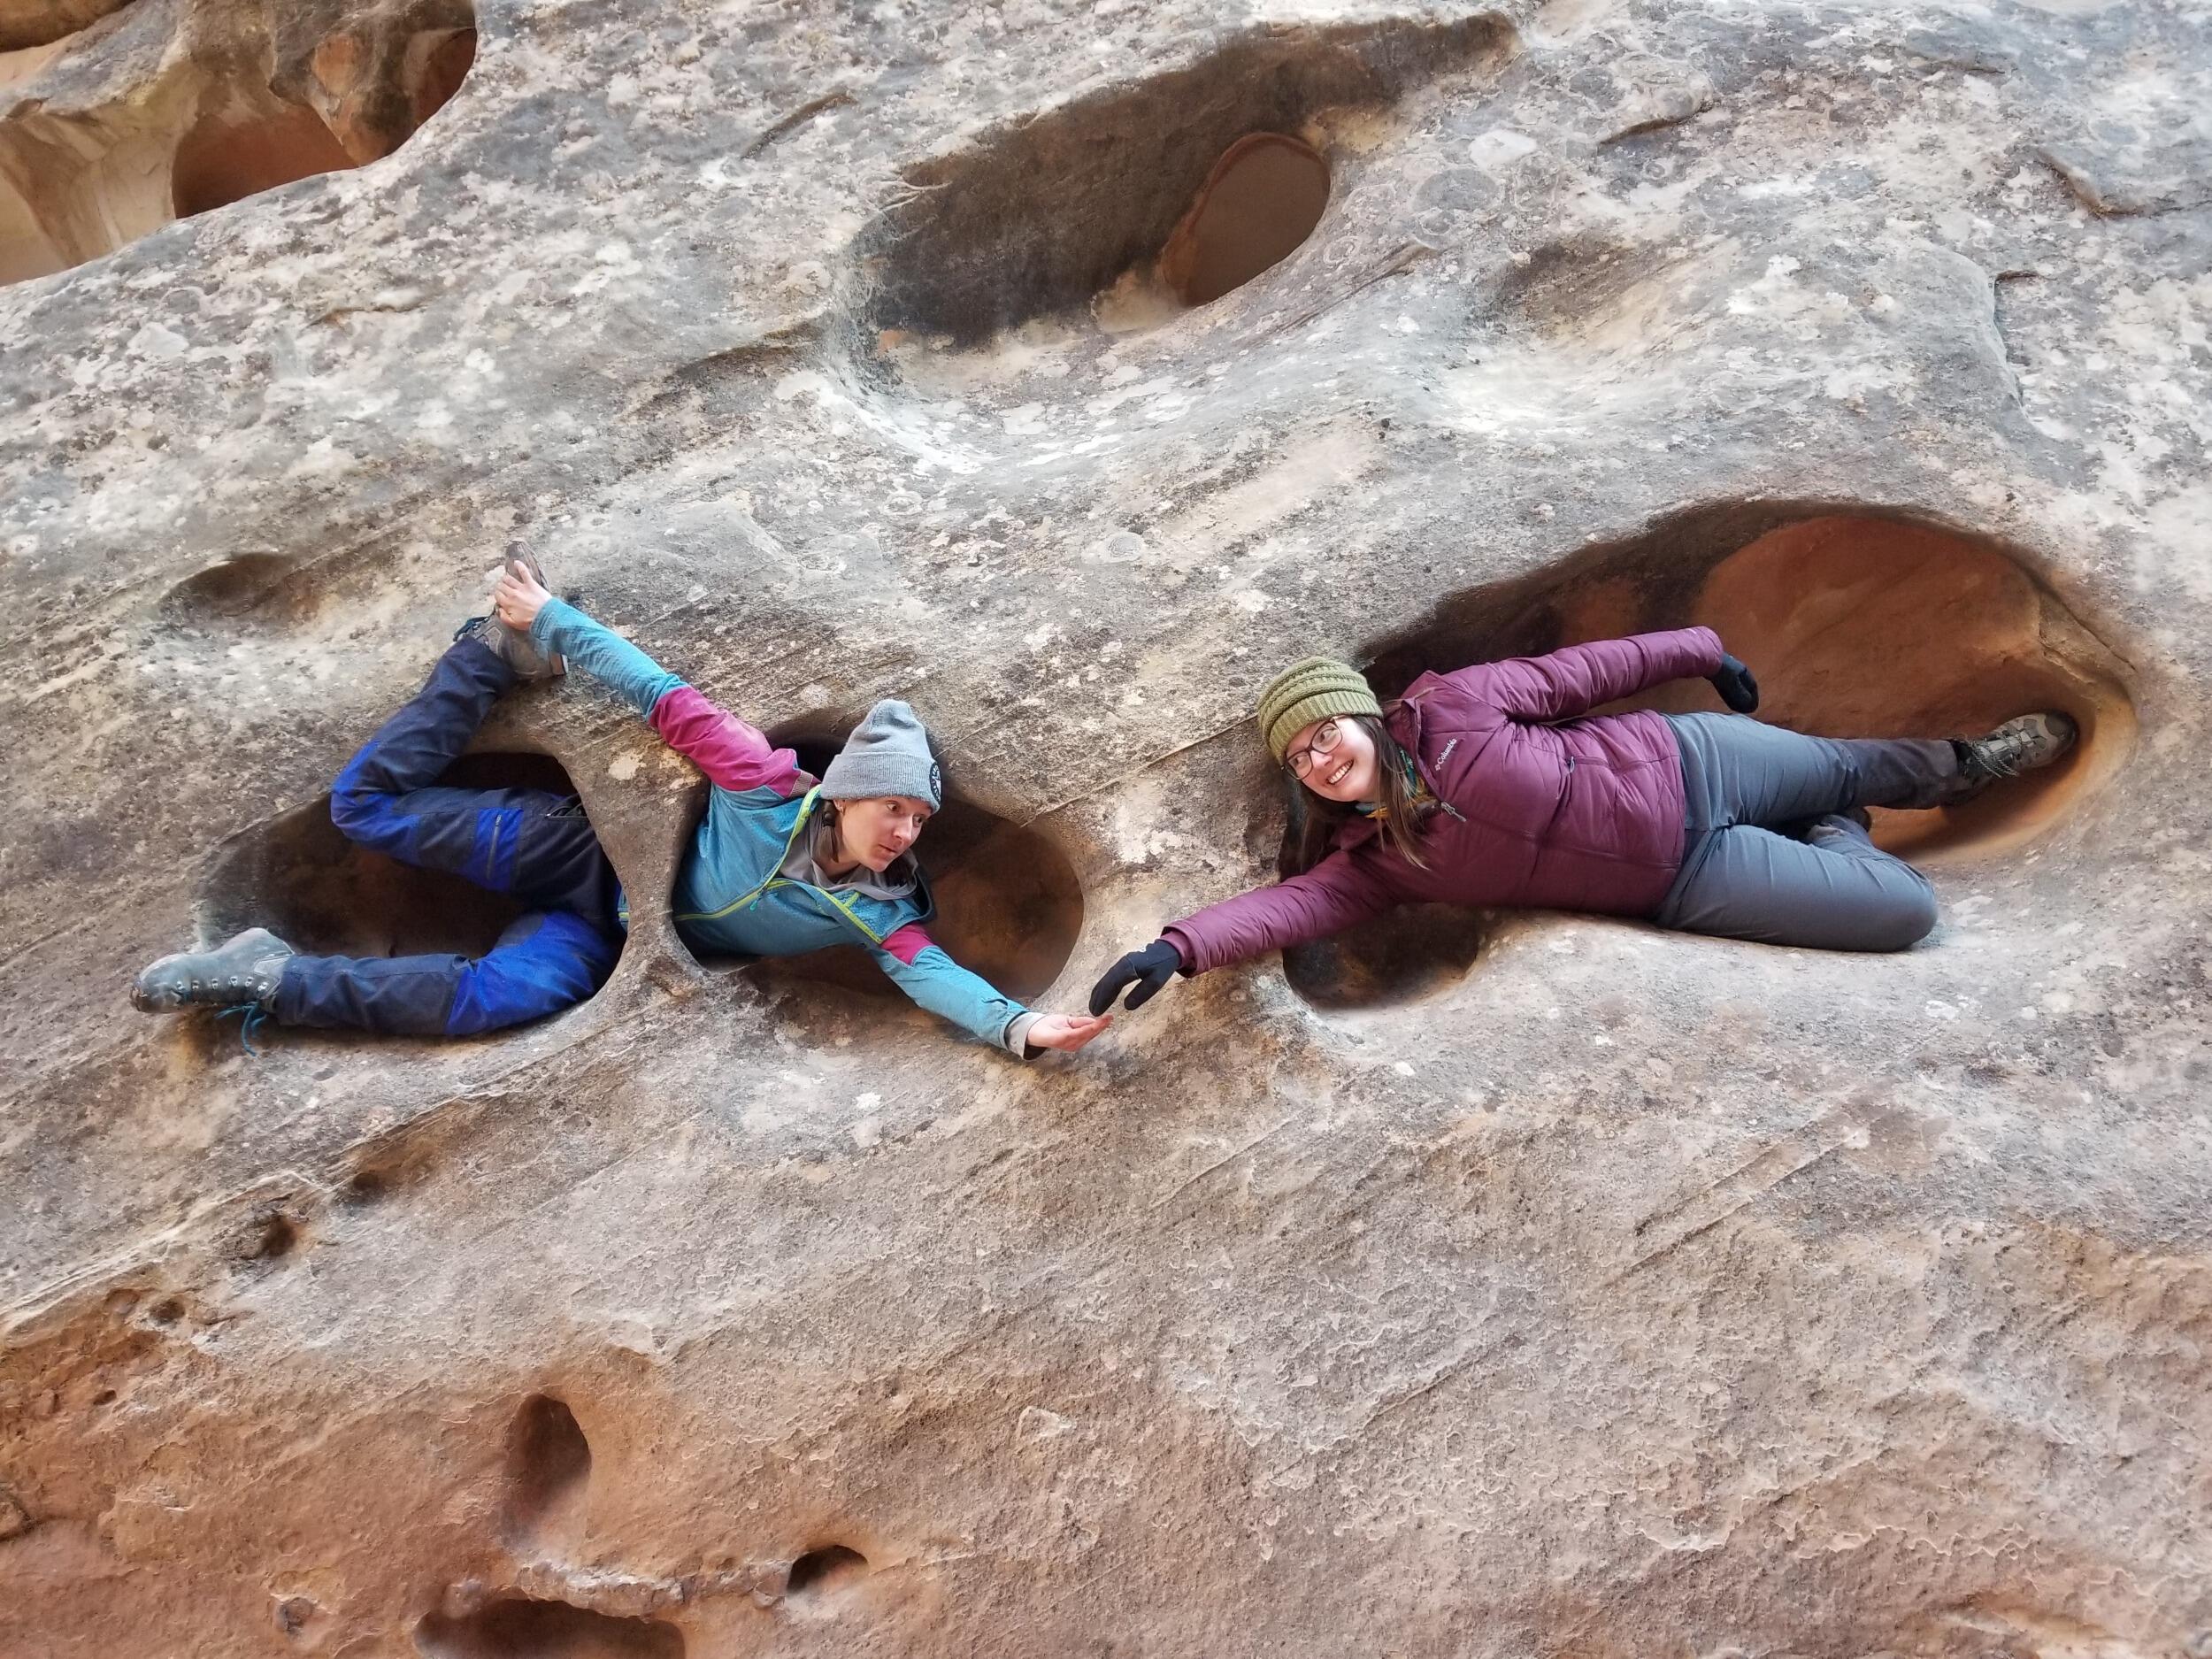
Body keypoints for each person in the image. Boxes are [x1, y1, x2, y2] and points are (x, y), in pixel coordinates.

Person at [134, 557, 1110, 1057]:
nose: (903, 830)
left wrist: (1014, 1028)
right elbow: (661, 695)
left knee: (495, 1001)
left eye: (917, 820)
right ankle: (481, 663)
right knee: (366, 808)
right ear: (846, 792)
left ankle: (273, 979)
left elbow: (935, 977)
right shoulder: (762, 781)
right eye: (892, 806)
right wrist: (550, 624)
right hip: (580, 860)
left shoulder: (880, 909)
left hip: (599, 939)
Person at [1089, 627, 2078, 1013]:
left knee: (1848, 758)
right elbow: (1288, 910)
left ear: (1361, 714)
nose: (1317, 756)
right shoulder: (1379, 863)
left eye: (1322, 732)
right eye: (1299, 757)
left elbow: (1577, 674)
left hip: (1688, 760)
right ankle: (1835, 825)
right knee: (1901, 911)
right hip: (1683, 880)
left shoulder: (1455, 703)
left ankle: (1968, 765)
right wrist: (1178, 949)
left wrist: (1704, 650)